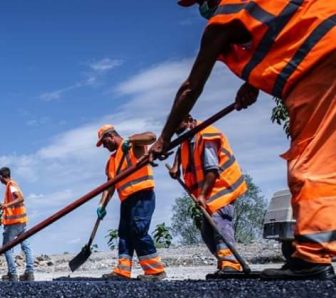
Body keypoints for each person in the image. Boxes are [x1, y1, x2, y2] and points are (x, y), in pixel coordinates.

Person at [150, 0, 336, 280]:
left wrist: (163, 139)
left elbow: (191, 88)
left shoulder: (224, 18)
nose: (203, 9)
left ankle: (313, 257)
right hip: (326, 44)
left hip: (318, 60)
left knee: (309, 163)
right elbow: (285, 29)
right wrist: (253, 84)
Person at [170, 115, 247, 274]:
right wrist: (175, 165)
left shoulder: (206, 136)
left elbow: (212, 170)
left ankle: (231, 265)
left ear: (189, 120)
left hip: (222, 188)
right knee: (206, 232)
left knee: (220, 223)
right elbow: (181, 149)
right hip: (208, 192)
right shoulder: (188, 140)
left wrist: (203, 196)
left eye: (181, 129)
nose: (180, 134)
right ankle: (224, 262)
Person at [96, 125, 167, 281]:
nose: (104, 146)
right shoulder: (112, 161)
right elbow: (109, 186)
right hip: (126, 200)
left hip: (143, 195)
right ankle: (123, 271)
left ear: (110, 136)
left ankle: (156, 271)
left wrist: (130, 139)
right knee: (124, 234)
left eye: (104, 142)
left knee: (138, 230)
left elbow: (152, 136)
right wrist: (102, 205)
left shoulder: (133, 144)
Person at [0, 166, 35, 282]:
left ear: (0, 177)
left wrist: (6, 205)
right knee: (26, 246)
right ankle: (29, 273)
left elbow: (21, 198)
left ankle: (12, 274)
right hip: (22, 223)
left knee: (7, 248)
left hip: (13, 224)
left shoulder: (11, 185)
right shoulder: (12, 185)